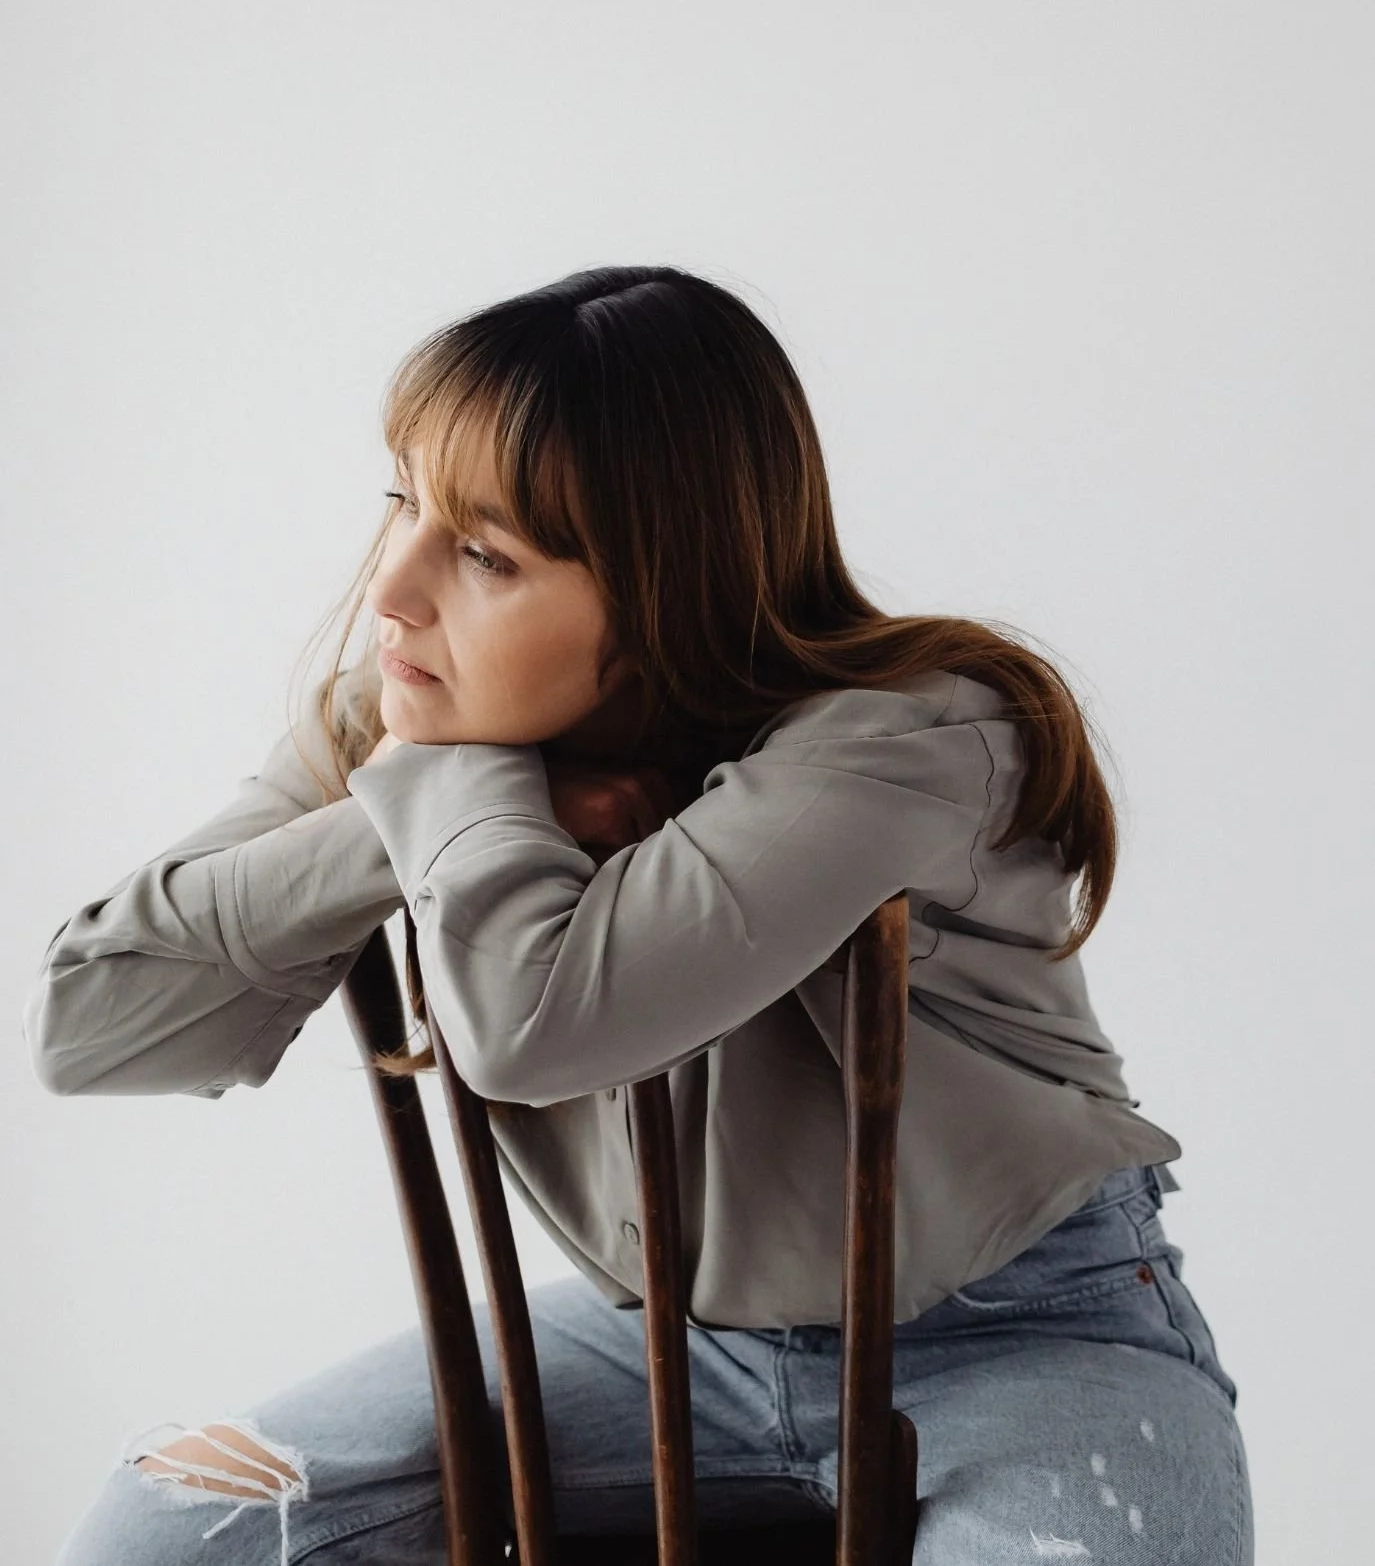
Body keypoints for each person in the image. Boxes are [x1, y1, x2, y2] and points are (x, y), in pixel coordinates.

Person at [27, 265, 1253, 1565]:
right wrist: (423, 803)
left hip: (1018, 1330)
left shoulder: (909, 735)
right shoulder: (412, 724)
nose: (392, 589)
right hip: (659, 1345)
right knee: (170, 1526)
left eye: (486, 551)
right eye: (404, 499)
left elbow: (539, 1025)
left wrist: (448, 789)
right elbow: (89, 1027)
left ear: (670, 585)